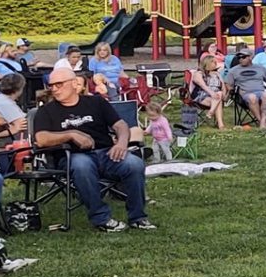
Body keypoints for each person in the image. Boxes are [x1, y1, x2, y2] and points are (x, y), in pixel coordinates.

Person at [32, 60, 153, 231]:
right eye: (51, 85)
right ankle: (101, 218)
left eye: (59, 84)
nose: (54, 89)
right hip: (71, 157)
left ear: (75, 84)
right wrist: (71, 134)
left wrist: (122, 143)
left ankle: (138, 217)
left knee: (134, 163)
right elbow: (41, 139)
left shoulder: (96, 102)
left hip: (106, 153)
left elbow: (120, 125)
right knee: (82, 165)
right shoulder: (47, 111)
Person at [226, 55, 266, 128]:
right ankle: (261, 122)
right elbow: (229, 84)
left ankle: (263, 121)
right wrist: (231, 90)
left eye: (243, 57)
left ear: (250, 57)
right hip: (244, 94)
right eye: (239, 58)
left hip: (260, 91)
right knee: (252, 97)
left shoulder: (260, 68)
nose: (241, 59)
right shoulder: (233, 70)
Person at [143, 96, 175, 162]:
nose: (151, 118)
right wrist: (146, 131)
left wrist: (170, 137)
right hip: (156, 138)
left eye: (153, 116)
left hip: (164, 139)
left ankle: (169, 160)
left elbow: (167, 129)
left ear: (159, 113)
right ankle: (157, 160)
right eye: (149, 115)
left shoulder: (163, 121)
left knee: (165, 150)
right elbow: (150, 126)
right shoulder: (152, 120)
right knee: (155, 150)